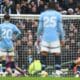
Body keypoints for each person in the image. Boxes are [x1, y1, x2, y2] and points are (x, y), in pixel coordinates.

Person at [37, 1, 65, 76]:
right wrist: (62, 38)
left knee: (43, 53)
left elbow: (39, 28)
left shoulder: (43, 14)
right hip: (55, 37)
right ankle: (58, 72)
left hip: (45, 37)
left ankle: (43, 71)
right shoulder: (58, 14)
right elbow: (60, 28)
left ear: (47, 6)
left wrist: (38, 37)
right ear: (55, 6)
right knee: (57, 54)